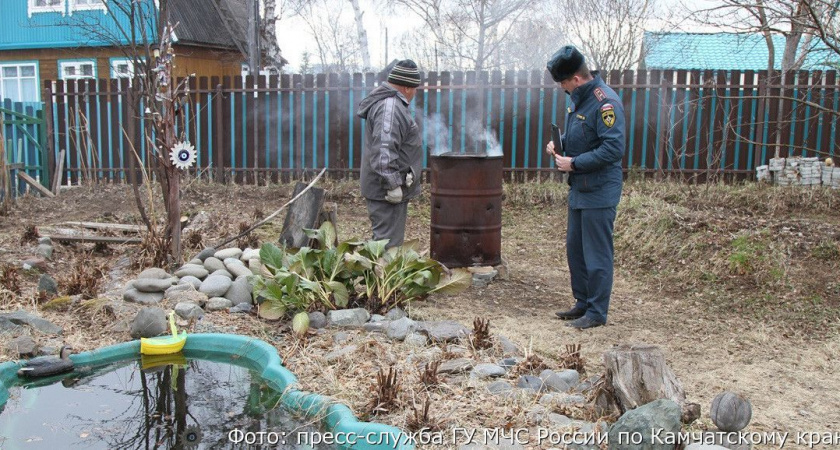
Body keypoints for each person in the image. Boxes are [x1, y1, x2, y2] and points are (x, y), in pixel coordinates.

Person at [545, 46, 625, 330]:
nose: (562, 88)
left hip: (600, 190)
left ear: (576, 80)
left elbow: (613, 149)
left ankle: (596, 313)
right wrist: (560, 143)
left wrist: (574, 163)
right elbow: (584, 134)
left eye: (563, 83)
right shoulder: (581, 99)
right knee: (576, 250)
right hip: (580, 188)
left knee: (597, 253)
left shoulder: (606, 104)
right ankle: (582, 303)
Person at [357, 59, 423, 248]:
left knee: (387, 243)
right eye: (415, 88)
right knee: (387, 246)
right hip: (386, 191)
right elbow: (384, 150)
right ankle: (382, 277)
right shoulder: (390, 108)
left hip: (387, 189)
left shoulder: (391, 105)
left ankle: (383, 274)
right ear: (407, 88)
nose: (415, 92)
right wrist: (392, 184)